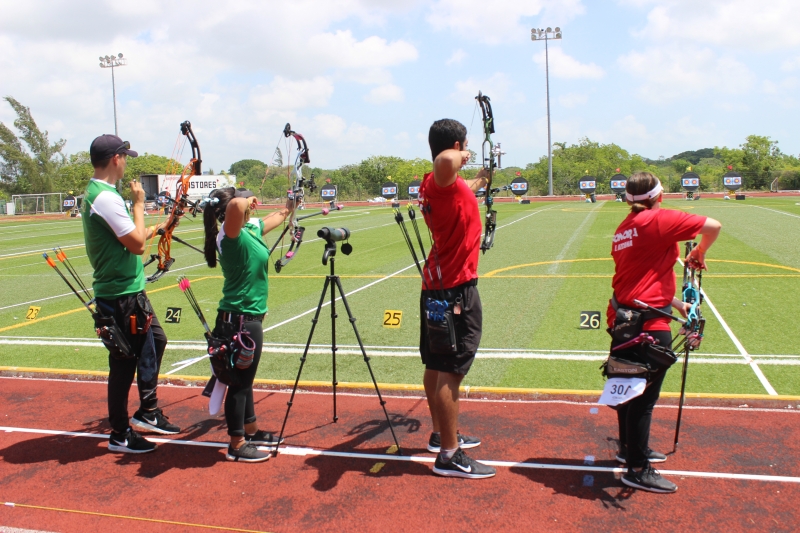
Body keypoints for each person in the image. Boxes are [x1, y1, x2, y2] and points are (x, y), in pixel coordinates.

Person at [607, 171, 721, 493]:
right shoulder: (657, 219)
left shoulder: (624, 228)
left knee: (628, 389)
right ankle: (637, 468)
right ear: (659, 196)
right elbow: (713, 226)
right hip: (647, 325)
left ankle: (630, 450)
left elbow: (639, 277)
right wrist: (700, 252)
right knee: (643, 398)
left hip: (624, 317)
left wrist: (675, 302)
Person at [83, 134, 181, 454]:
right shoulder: (105, 197)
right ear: (116, 159)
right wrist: (140, 204)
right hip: (120, 295)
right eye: (125, 157)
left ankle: (148, 410)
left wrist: (161, 227)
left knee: (157, 340)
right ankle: (120, 434)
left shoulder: (104, 194)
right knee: (123, 364)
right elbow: (137, 245)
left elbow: (130, 236)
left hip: (129, 292)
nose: (127, 162)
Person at [417, 119, 495, 479]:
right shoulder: (440, 173)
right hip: (453, 289)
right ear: (458, 145)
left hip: (437, 286)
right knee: (450, 369)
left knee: (436, 365)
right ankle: (449, 455)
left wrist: (480, 178)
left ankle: (440, 435)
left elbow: (459, 183)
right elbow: (445, 161)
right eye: (464, 146)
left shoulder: (438, 185)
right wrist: (462, 154)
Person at [202, 187, 296, 463]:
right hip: (239, 320)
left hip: (246, 318)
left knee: (245, 380)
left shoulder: (249, 230)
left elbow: (277, 216)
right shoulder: (229, 235)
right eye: (244, 201)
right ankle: (237, 443)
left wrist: (291, 204)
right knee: (239, 383)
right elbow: (235, 208)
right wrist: (245, 200)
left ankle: (251, 430)